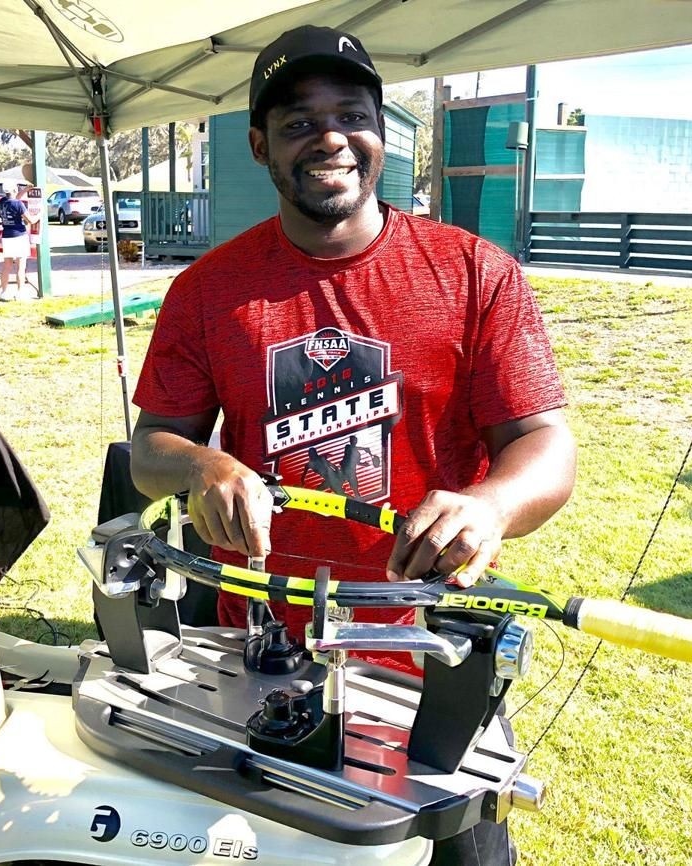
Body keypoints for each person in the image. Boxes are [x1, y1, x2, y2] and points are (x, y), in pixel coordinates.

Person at [129, 25, 576, 866]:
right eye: (298, 122)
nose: (329, 137)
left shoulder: (477, 274)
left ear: (382, 133)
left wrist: (490, 504)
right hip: (259, 644)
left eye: (352, 114)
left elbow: (546, 447)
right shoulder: (206, 291)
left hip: (429, 646)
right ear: (261, 146)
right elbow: (151, 449)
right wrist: (206, 465)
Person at [0, 186, 39, 300]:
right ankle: (20, 292)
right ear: (14, 191)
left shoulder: (3, 202)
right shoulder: (19, 204)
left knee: (7, 266)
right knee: (21, 266)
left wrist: (25, 191)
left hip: (7, 236)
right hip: (19, 236)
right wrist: (41, 214)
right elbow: (31, 220)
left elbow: (16, 197)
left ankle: (4, 292)